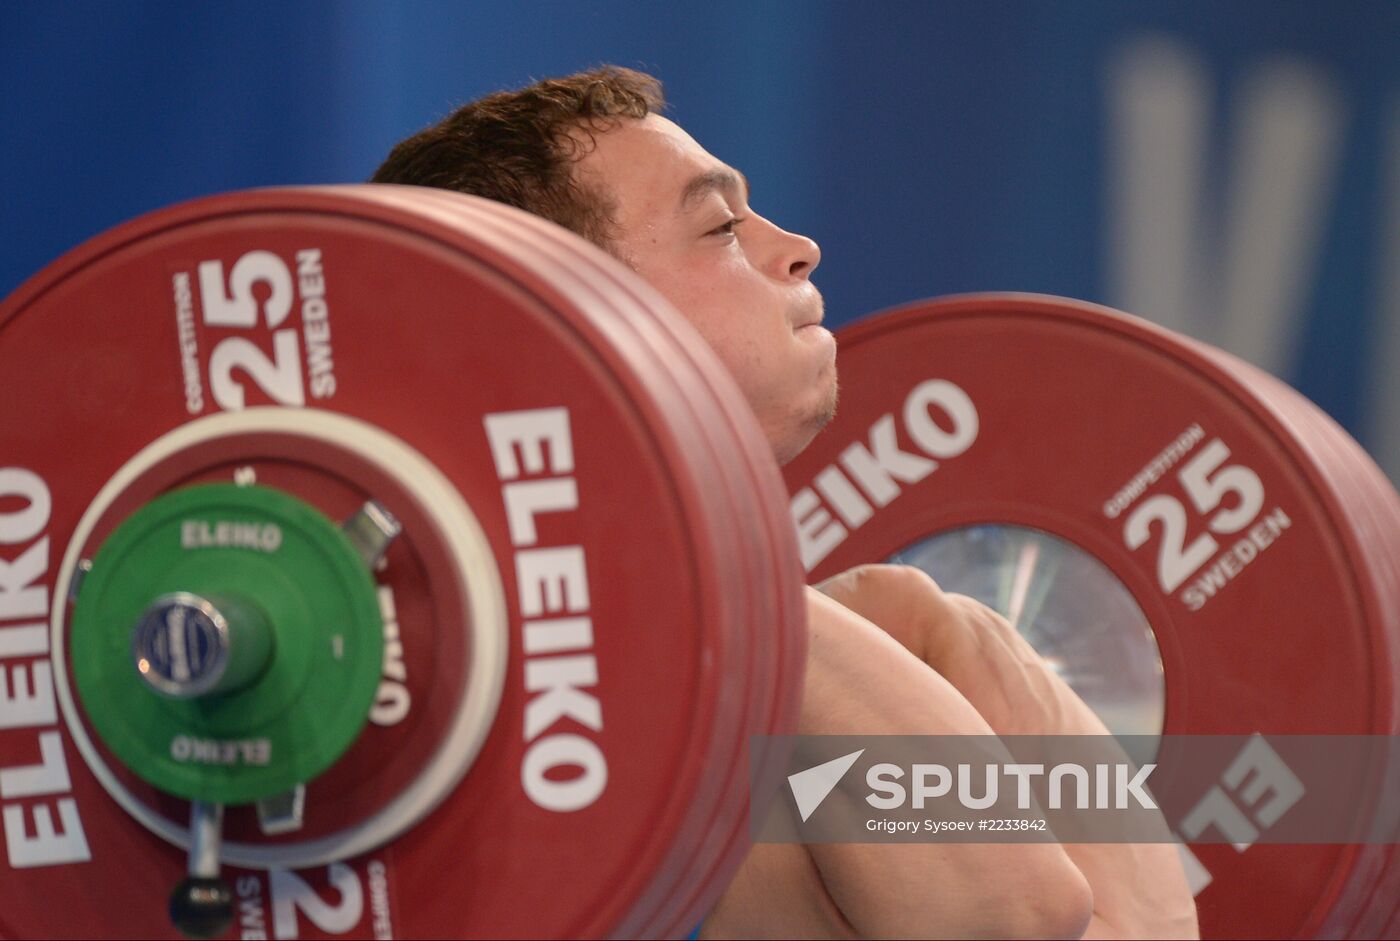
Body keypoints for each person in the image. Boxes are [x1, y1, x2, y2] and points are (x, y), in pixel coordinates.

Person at [372, 66, 1199, 940]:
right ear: (567, 314)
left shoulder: (779, 689)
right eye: (722, 226)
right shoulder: (500, 671)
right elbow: (1016, 916)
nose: (795, 245)